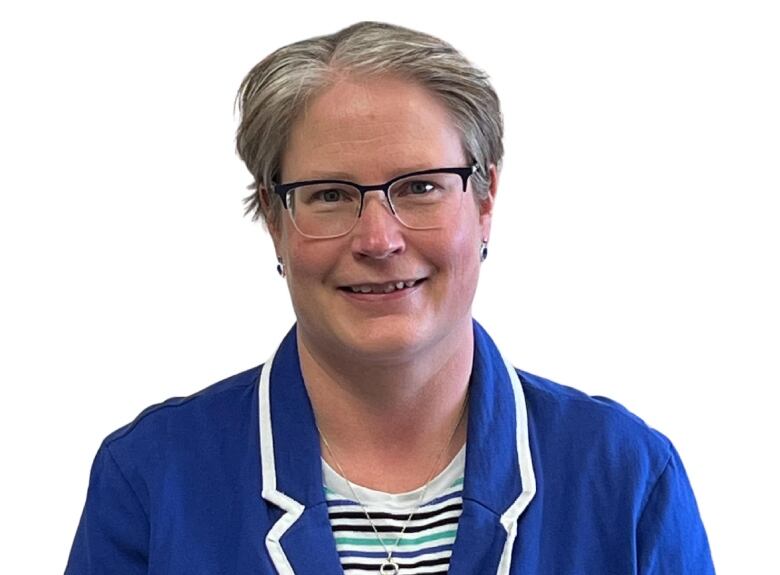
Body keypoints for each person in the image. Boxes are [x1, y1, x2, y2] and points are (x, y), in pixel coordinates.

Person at [65, 21, 715, 574]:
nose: (378, 238)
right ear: (273, 217)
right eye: (329, 194)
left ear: (485, 200)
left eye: (420, 188)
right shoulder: (150, 480)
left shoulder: (627, 479)